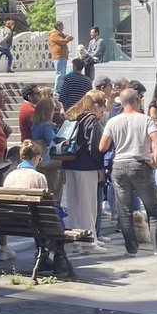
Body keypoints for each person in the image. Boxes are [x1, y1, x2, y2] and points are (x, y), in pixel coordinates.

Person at [99, 88, 157, 256]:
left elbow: (102, 146)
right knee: (153, 208)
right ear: (137, 101)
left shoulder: (113, 121)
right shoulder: (145, 120)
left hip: (119, 166)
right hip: (139, 164)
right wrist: (155, 161)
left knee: (124, 211)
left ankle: (131, 248)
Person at [4, 140, 75, 278]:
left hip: (13, 221)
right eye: (40, 159)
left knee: (39, 218)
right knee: (52, 220)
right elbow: (47, 205)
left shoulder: (10, 176)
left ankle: (43, 257)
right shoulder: (38, 176)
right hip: (35, 222)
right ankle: (59, 259)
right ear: (36, 158)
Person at [62, 90, 107, 247]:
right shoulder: (91, 119)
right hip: (87, 165)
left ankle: (76, 241)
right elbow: (94, 146)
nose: (102, 114)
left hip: (69, 162)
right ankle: (89, 240)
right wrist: (100, 167)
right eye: (102, 109)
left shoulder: (72, 114)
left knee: (73, 204)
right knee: (88, 205)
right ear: (95, 105)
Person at [48, 21, 73, 87]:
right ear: (58, 26)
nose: (63, 28)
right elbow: (62, 41)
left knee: (63, 75)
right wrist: (67, 39)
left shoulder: (61, 34)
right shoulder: (54, 34)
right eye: (62, 26)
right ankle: (57, 91)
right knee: (60, 74)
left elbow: (69, 37)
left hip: (63, 57)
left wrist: (68, 37)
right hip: (58, 57)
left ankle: (61, 89)